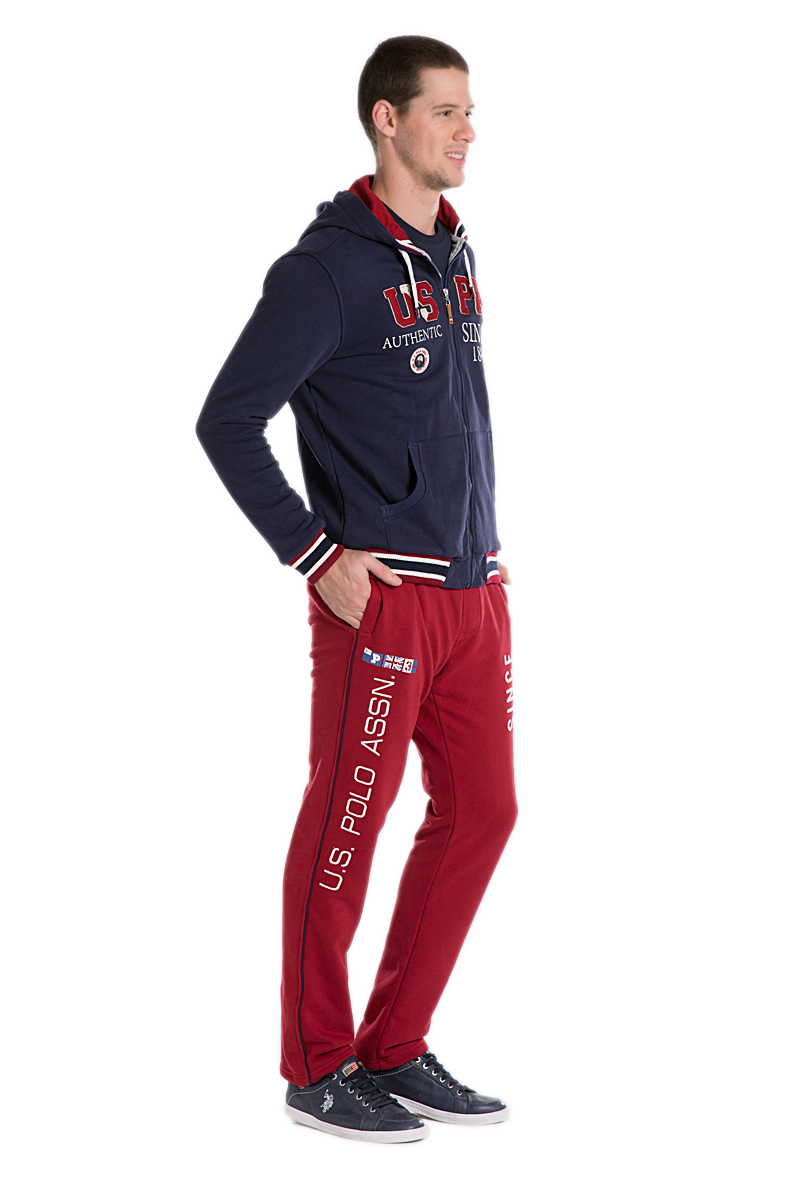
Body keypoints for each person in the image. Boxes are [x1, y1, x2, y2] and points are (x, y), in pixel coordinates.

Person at [196, 35, 518, 1143]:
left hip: (474, 593)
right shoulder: (325, 272)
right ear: (388, 118)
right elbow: (227, 420)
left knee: (484, 812)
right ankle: (316, 1065)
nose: (467, 130)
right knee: (347, 821)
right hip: (379, 602)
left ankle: (394, 1044)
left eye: (469, 110)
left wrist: (480, 553)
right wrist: (312, 553)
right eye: (446, 111)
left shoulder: (452, 250)